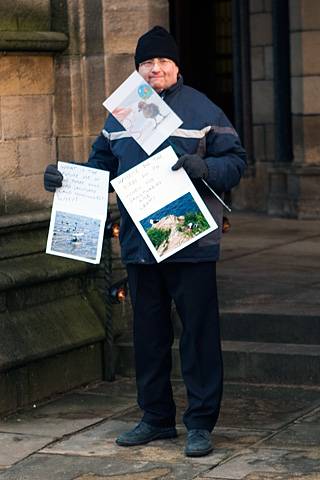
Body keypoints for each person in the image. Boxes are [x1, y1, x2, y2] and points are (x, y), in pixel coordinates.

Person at [44, 26, 247, 457]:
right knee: (148, 336)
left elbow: (236, 161)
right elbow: (98, 168)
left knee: (198, 336)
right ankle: (156, 419)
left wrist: (205, 168)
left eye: (163, 62)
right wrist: (63, 177)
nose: (155, 68)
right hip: (139, 242)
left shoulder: (202, 108)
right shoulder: (120, 115)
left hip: (190, 244)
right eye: (147, 63)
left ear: (176, 66)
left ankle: (200, 424)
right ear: (138, 69)